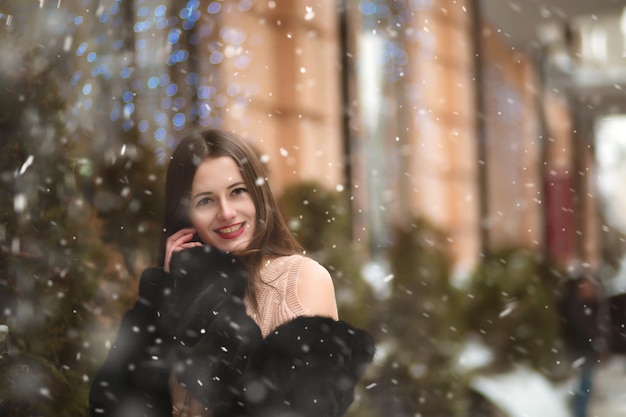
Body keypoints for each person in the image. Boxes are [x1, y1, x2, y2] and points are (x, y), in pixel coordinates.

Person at [89, 129, 375, 417]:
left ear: (257, 195)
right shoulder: (175, 294)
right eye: (205, 201)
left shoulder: (303, 279)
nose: (226, 212)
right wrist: (160, 299)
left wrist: (213, 323)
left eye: (237, 192)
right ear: (185, 216)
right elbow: (112, 406)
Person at [560, 274, 606, 417]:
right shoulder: (574, 306)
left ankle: (579, 411)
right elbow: (583, 329)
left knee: (586, 385)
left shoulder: (593, 306)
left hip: (588, 352)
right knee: (582, 385)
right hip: (579, 351)